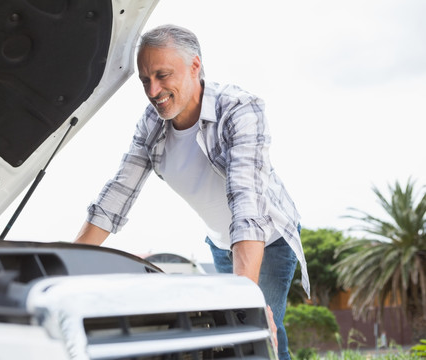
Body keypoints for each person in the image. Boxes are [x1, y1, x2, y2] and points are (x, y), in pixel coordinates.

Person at [74, 24, 310, 360]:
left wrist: (245, 299)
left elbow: (247, 204)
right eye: (145, 80)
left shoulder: (239, 109)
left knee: (257, 328)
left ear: (195, 66)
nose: (153, 90)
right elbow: (118, 192)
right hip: (219, 241)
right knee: (231, 333)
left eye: (162, 75)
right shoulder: (151, 124)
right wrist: (62, 267)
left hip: (267, 239)